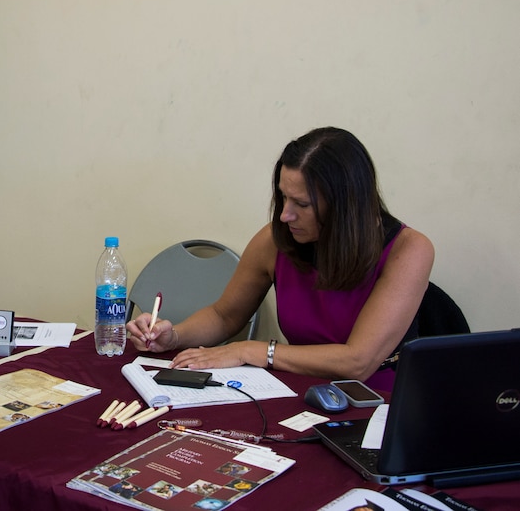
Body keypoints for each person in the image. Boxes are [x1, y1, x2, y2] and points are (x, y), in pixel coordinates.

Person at [126, 127, 434, 392]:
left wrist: (252, 351)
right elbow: (224, 316)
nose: (286, 214)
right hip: (298, 390)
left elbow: (357, 362)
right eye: (284, 197)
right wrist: (173, 336)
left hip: (376, 404)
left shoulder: (409, 249)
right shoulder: (276, 239)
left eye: (302, 203)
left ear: (345, 207)